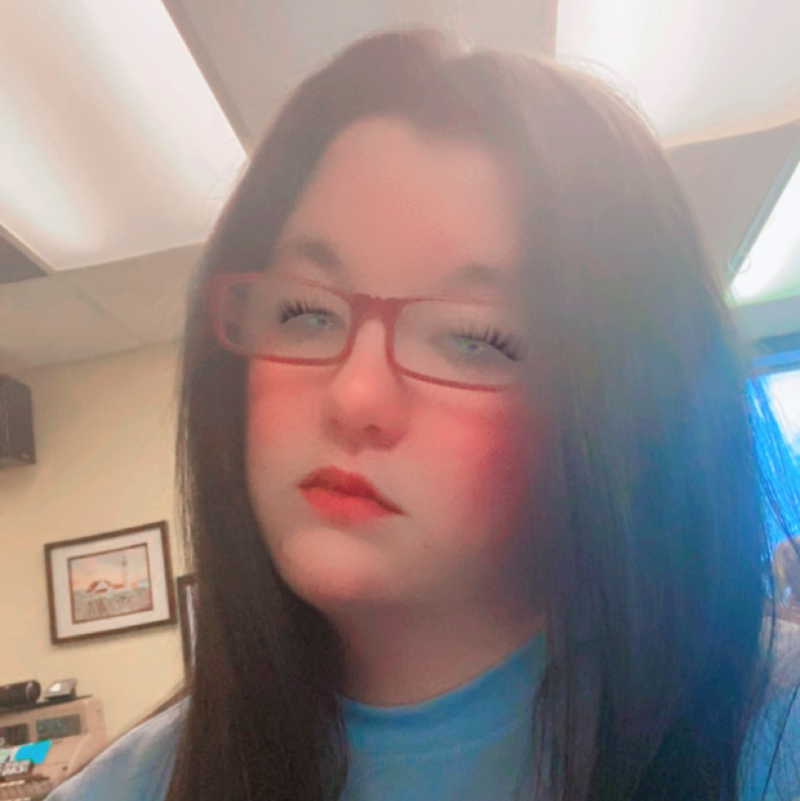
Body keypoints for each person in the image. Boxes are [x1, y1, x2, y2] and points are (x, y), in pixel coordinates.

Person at [48, 27, 800, 801]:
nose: (355, 396)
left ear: (616, 406)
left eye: (474, 338)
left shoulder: (772, 737)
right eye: (305, 312)